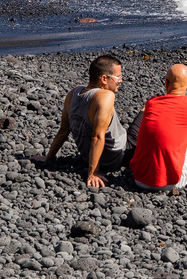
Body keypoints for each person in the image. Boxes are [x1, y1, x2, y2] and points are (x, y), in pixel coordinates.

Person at [31, 53, 130, 188]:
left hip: (87, 158)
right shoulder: (106, 96)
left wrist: (48, 158)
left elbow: (64, 130)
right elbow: (97, 136)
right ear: (104, 79)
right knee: (147, 109)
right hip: (117, 156)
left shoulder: (73, 93)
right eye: (118, 77)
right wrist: (93, 173)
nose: (120, 80)